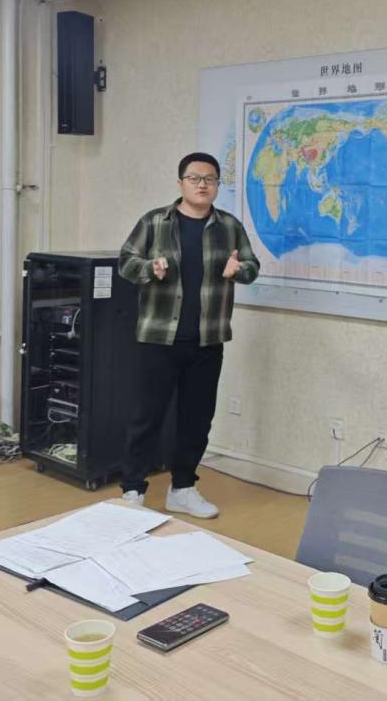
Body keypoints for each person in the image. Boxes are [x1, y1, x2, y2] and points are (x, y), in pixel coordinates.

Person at [117, 152, 259, 518]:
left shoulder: (229, 226)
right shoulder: (155, 221)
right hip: (158, 338)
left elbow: (252, 267)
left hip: (207, 340)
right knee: (146, 417)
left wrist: (239, 270)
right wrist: (150, 268)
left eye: (210, 179)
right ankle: (132, 490)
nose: (202, 184)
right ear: (180, 182)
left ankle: (182, 488)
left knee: (197, 419)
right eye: (194, 178)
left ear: (217, 186)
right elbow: (126, 263)